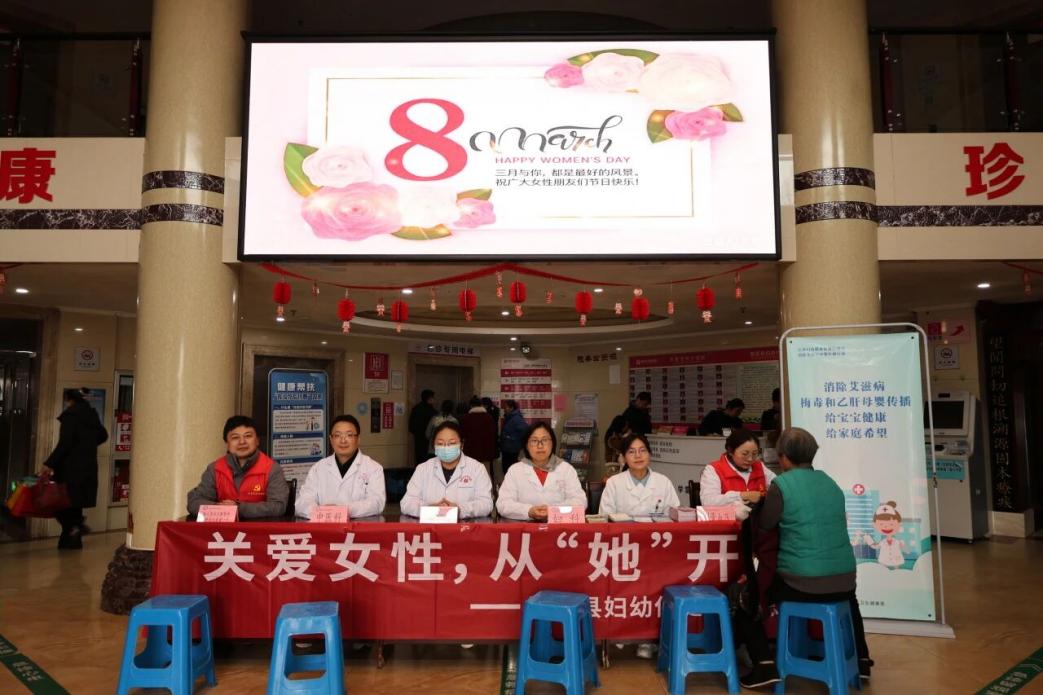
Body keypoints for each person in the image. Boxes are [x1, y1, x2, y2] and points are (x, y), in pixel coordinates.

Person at [733, 427, 872, 689]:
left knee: (745, 597)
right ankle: (862, 661)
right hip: (845, 580)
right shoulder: (830, 483)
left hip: (801, 581)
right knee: (850, 601)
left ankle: (764, 666)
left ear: (783, 457)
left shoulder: (782, 485)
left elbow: (766, 524)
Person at [41, 387, 108, 550]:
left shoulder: (71, 415)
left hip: (70, 467)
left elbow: (65, 443)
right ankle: (72, 540)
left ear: (69, 400)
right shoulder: (91, 414)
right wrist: (87, 445)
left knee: (61, 503)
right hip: (88, 466)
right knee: (75, 504)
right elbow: (103, 435)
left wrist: (49, 463)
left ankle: (75, 526)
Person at [186, 415, 289, 519]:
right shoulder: (215, 468)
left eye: (248, 436)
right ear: (227, 444)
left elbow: (278, 506)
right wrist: (221, 509)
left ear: (257, 440)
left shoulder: (272, 469)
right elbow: (194, 501)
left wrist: (238, 509)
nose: (242, 442)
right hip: (223, 528)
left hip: (259, 528)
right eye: (235, 437)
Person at [295, 414, 386, 519]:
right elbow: (302, 502)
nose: (343, 440)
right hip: (324, 525)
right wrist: (322, 512)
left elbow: (376, 503)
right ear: (331, 439)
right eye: (337, 435)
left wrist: (344, 510)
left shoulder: (373, 468)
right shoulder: (319, 468)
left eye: (349, 435)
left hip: (359, 526)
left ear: (358, 439)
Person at [400, 421, 493, 518]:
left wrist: (459, 510)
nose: (446, 447)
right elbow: (406, 503)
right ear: (434, 446)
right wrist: (430, 509)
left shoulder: (477, 469)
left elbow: (486, 504)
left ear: (462, 445)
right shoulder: (423, 469)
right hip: (431, 525)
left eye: (452, 443)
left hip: (465, 526)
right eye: (440, 443)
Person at [497, 423, 586, 521]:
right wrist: (528, 511)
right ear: (526, 445)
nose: (540, 446)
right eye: (534, 441)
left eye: (545, 440)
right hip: (524, 527)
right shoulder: (515, 470)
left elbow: (580, 502)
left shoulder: (566, 469)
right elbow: (503, 504)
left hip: (559, 527)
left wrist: (553, 510)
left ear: (552, 443)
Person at [600, 433, 680, 517]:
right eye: (631, 452)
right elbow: (605, 518)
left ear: (649, 454)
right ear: (624, 458)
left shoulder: (664, 483)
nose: (638, 455)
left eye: (642, 450)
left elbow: (674, 517)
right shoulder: (613, 483)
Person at [700, 428, 776, 511]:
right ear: (730, 451)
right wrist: (742, 495)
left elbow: (778, 486)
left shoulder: (759, 466)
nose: (750, 459)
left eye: (754, 454)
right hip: (730, 519)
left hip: (759, 518)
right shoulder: (713, 470)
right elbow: (708, 502)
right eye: (745, 454)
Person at [460, 396, 497, 473]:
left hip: (470, 452)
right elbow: (493, 434)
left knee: (470, 474)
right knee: (485, 474)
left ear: (471, 406)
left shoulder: (466, 418)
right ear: (481, 405)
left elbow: (462, 435)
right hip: (486, 452)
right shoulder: (489, 417)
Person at [408, 389, 438, 467]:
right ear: (429, 399)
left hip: (419, 441)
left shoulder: (416, 409)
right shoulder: (433, 412)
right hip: (430, 443)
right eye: (433, 398)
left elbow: (411, 427)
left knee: (420, 462)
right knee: (430, 464)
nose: (434, 400)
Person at [498, 399, 528, 470]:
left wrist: (512, 439)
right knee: (506, 468)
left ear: (511, 408)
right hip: (507, 448)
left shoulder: (516, 418)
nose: (504, 409)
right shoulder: (509, 417)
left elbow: (525, 431)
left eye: (506, 407)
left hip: (512, 449)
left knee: (510, 469)